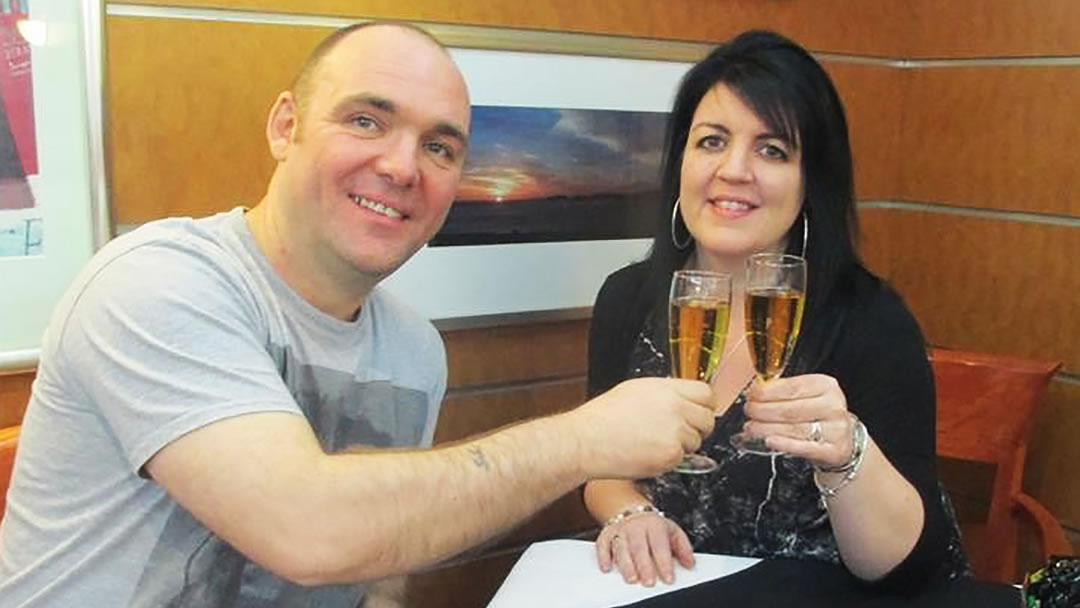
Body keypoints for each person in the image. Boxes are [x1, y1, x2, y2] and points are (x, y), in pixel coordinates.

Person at [0, 22, 720, 607]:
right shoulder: (159, 282)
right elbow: (307, 529)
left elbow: (378, 562)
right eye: (367, 119)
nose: (403, 167)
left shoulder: (411, 349)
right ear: (286, 126)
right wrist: (585, 439)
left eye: (439, 146)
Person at [585, 30, 968, 591]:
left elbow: (901, 568)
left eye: (772, 150)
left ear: (810, 181)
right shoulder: (627, 298)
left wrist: (845, 453)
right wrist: (629, 513)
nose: (734, 170)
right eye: (711, 141)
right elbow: (601, 465)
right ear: (681, 161)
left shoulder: (870, 320)